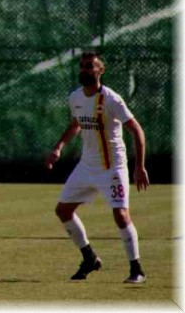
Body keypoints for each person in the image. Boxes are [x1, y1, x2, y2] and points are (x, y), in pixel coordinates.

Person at [46, 52, 149, 284]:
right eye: (82, 66)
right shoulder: (75, 98)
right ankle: (89, 258)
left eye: (90, 66)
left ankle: (137, 269)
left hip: (112, 167)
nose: (84, 69)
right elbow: (76, 125)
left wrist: (139, 166)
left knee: (121, 216)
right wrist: (59, 147)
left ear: (100, 70)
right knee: (63, 210)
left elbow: (137, 131)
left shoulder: (112, 99)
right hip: (87, 166)